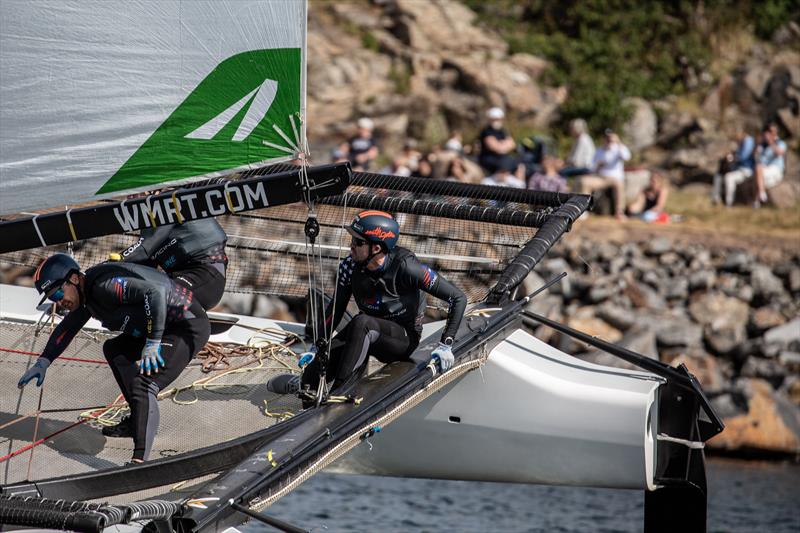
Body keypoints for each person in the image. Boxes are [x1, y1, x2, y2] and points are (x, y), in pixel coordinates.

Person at [18, 254, 210, 464]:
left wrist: (153, 342)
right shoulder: (87, 297)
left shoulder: (105, 286)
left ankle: (140, 461)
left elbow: (154, 292)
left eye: (58, 292)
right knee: (115, 349)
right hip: (164, 328)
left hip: (185, 327)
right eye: (53, 298)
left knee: (143, 384)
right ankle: (138, 420)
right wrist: (43, 361)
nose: (59, 302)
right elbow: (67, 328)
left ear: (73, 279)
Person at [268, 211, 467, 397]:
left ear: (376, 247)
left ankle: (340, 394)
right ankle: (304, 382)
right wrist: (316, 348)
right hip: (364, 332)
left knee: (362, 322)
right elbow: (335, 309)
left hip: (402, 339)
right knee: (311, 381)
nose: (351, 246)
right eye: (352, 239)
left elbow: (458, 298)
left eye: (358, 241)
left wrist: (445, 344)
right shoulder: (349, 267)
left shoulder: (407, 267)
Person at [115, 217, 228, 310]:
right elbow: (144, 265)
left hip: (205, 277)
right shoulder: (149, 223)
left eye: (135, 193)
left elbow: (144, 249)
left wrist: (110, 265)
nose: (130, 197)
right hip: (182, 279)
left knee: (152, 297)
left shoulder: (167, 205)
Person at [579, 130, 631, 219]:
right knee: (584, 182)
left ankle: (619, 212)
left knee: (619, 184)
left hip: (615, 178)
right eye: (606, 138)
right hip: (601, 178)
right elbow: (591, 167)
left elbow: (627, 157)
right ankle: (584, 210)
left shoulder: (618, 149)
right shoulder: (599, 151)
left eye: (610, 138)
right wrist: (598, 166)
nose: (608, 140)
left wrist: (618, 142)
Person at [711, 128, 755, 207]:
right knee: (718, 176)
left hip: (745, 170)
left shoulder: (748, 141)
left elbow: (743, 156)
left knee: (729, 178)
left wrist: (732, 157)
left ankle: (729, 203)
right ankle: (716, 199)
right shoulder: (741, 143)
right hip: (737, 169)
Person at [753, 123, 787, 208]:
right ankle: (760, 200)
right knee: (757, 171)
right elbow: (755, 157)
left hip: (776, 170)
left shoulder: (780, 142)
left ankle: (761, 196)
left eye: (772, 131)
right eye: (768, 131)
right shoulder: (763, 146)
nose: (771, 133)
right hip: (764, 171)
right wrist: (757, 144)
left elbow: (779, 153)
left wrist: (771, 142)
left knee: (758, 169)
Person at [478, 107, 517, 174]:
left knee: (519, 165)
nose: (496, 122)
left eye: (498, 119)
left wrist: (501, 145)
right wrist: (504, 144)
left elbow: (512, 144)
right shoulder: (487, 131)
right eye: (494, 119)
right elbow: (496, 148)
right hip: (489, 160)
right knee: (504, 164)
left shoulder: (502, 131)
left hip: (502, 158)